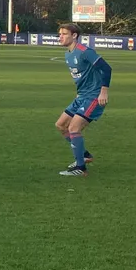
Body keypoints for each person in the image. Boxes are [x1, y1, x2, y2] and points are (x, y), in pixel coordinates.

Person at [55, 22, 111, 177]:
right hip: (81, 96)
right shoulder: (68, 54)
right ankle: (84, 156)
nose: (60, 37)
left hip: (94, 97)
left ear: (74, 36)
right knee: (61, 125)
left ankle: (81, 168)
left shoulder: (85, 51)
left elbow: (106, 68)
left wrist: (103, 91)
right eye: (59, 34)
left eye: (64, 34)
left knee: (74, 128)